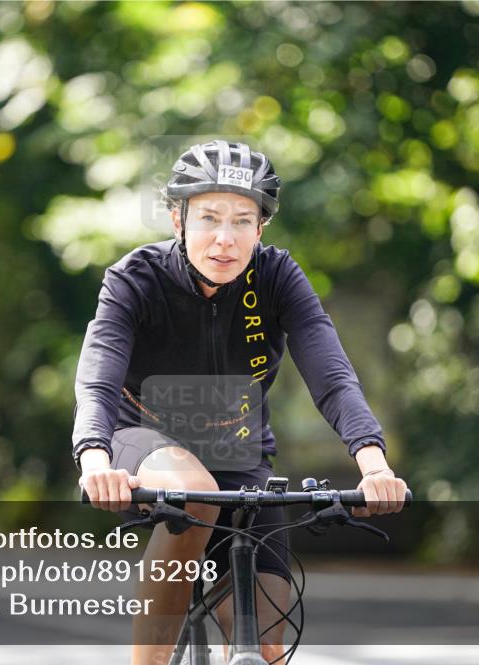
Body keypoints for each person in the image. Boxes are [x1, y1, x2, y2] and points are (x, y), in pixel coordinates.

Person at [72, 139, 408, 665]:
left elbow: (333, 377)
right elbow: (97, 379)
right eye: (209, 218)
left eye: (242, 221)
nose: (225, 239)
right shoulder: (136, 278)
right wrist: (95, 460)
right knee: (196, 493)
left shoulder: (276, 277)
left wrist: (374, 466)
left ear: (260, 229)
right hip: (141, 442)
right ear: (178, 220)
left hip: (239, 455)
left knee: (268, 646)